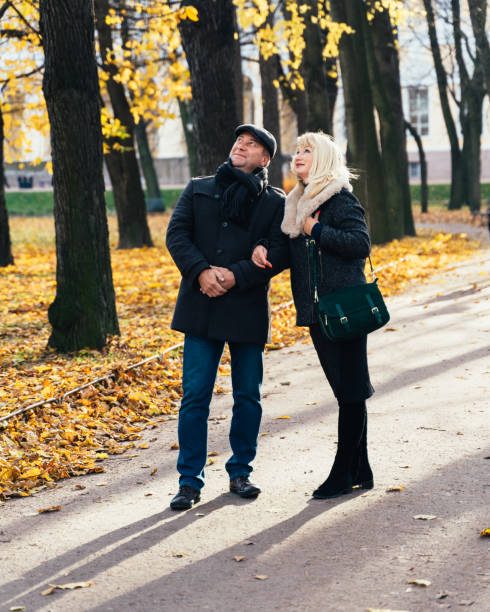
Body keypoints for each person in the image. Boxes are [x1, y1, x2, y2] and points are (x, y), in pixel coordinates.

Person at [166, 124, 288, 511]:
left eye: (252, 144)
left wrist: (236, 275)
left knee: (247, 395)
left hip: (247, 306)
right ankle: (189, 481)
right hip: (201, 304)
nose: (241, 145)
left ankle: (240, 472)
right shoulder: (199, 187)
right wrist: (202, 272)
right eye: (239, 140)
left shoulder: (275, 201)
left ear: (264, 158)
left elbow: (279, 252)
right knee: (195, 395)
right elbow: (176, 235)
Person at [252, 132, 374, 499]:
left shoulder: (338, 199)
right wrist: (265, 251)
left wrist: (317, 229)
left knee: (349, 391)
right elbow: (292, 253)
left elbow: (360, 244)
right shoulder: (297, 203)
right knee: (347, 391)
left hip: (344, 308)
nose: (298, 154)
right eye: (298, 149)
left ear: (323, 159)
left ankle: (342, 473)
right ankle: (361, 468)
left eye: (308, 150)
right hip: (318, 311)